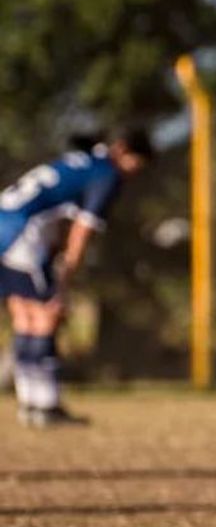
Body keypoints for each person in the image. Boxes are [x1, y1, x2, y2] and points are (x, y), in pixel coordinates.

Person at [1, 130, 154, 427]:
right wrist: (66, 274)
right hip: (24, 234)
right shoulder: (107, 175)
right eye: (137, 163)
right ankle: (45, 405)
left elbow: (54, 208)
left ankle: (30, 403)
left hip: (5, 223)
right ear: (123, 151)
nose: (134, 172)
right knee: (47, 314)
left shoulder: (84, 161)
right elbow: (82, 230)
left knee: (24, 314)